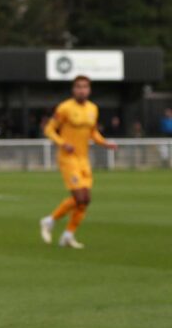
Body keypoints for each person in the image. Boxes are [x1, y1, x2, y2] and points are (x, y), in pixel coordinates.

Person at [39, 75, 117, 249]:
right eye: (78, 86)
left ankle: (67, 235)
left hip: (84, 159)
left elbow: (93, 133)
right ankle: (50, 220)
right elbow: (49, 129)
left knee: (85, 200)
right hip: (68, 159)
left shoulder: (92, 109)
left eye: (85, 87)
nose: (82, 90)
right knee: (80, 196)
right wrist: (62, 143)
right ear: (73, 89)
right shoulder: (65, 108)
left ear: (89, 90)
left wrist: (105, 143)